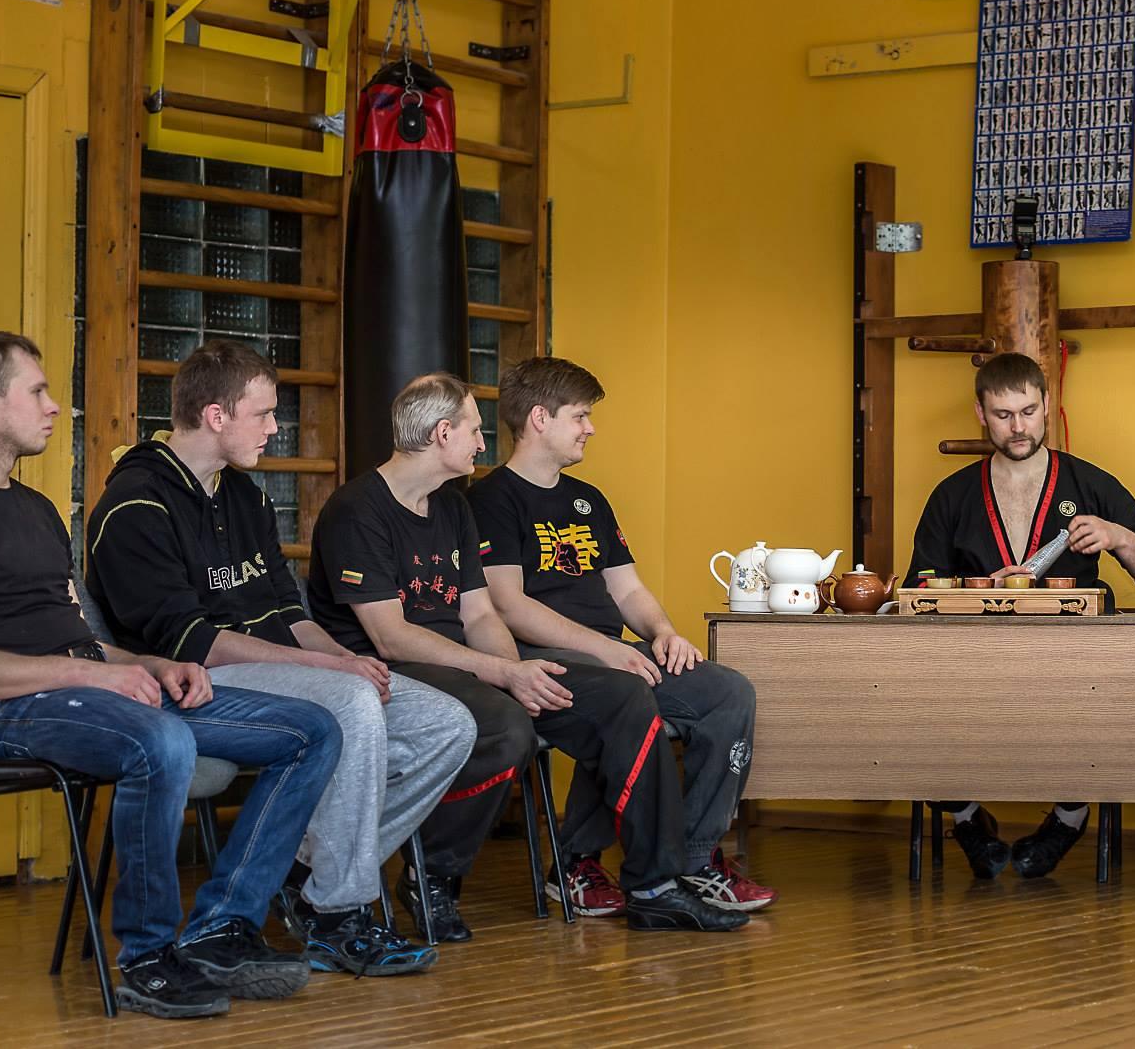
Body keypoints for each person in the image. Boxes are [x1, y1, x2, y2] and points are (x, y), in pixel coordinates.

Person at [0, 329, 341, 1019]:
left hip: (85, 689)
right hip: (6, 707)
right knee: (161, 740)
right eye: (37, 391)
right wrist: (91, 678)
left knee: (313, 729)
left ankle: (222, 927)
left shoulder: (37, 510)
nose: (53, 406)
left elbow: (79, 643)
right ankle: (147, 957)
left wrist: (157, 665)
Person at [86, 340, 476, 976]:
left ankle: (302, 875)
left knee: (447, 724)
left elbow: (291, 614)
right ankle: (339, 915)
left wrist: (345, 657)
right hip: (197, 682)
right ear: (216, 416)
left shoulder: (247, 497)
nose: (276, 428)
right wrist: (332, 672)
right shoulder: (136, 503)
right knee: (351, 699)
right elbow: (192, 642)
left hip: (282, 671)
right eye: (264, 414)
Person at [307, 373, 746, 934]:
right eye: (474, 430)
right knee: (508, 729)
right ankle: (434, 875)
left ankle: (654, 886)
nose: (483, 442)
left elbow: (479, 616)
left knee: (623, 697)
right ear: (442, 433)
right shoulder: (357, 509)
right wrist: (502, 672)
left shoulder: (451, 508)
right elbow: (391, 637)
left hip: (470, 663)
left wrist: (517, 671)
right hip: (394, 671)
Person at [466, 356, 772, 914]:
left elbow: (627, 589)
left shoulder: (589, 499)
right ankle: (577, 861)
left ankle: (696, 858)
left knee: (728, 692)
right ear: (540, 418)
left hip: (612, 654)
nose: (591, 428)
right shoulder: (491, 500)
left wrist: (663, 633)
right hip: (540, 658)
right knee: (624, 697)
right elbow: (508, 605)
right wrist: (607, 649)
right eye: (580, 416)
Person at [902, 352, 1135, 879]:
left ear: (1047, 405)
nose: (1018, 427)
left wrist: (1118, 536)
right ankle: (965, 816)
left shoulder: (1089, 483)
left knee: (1095, 698)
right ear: (980, 413)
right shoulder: (952, 495)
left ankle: (1069, 816)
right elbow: (919, 592)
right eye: (1003, 415)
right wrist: (983, 588)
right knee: (913, 694)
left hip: (1073, 669)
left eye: (1028, 412)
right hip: (971, 668)